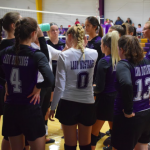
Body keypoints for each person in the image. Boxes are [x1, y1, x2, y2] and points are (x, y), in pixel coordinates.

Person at [0, 17, 54, 150]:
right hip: (29, 108)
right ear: (33, 33)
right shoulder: (35, 54)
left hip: (10, 109)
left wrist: (5, 82)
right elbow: (49, 79)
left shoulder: (5, 52)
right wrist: (38, 87)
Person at [49, 24, 98, 150]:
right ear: (84, 38)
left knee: (70, 145)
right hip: (87, 102)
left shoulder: (64, 55)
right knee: (85, 145)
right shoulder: (94, 53)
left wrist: (53, 107)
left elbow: (59, 85)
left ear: (69, 36)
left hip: (68, 103)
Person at [112, 35, 150, 150]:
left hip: (129, 117)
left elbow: (126, 83)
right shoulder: (146, 61)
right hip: (146, 114)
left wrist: (128, 110)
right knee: (142, 145)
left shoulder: (123, 64)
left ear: (122, 50)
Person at [91, 31, 120, 150]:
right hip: (117, 99)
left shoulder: (103, 61)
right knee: (115, 132)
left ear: (105, 46)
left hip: (104, 100)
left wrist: (91, 88)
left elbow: (99, 88)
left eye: (101, 44)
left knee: (93, 133)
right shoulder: (119, 59)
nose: (100, 46)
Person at [0, 12, 21, 150]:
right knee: (13, 132)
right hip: (12, 92)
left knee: (9, 133)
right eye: (20, 21)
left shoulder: (3, 44)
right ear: (14, 25)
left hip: (7, 87)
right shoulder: (17, 46)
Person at [85, 16, 103, 83]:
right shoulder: (85, 41)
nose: (85, 28)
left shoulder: (99, 42)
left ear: (95, 27)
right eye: (85, 26)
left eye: (88, 26)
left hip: (94, 75)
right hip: (86, 72)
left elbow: (100, 62)